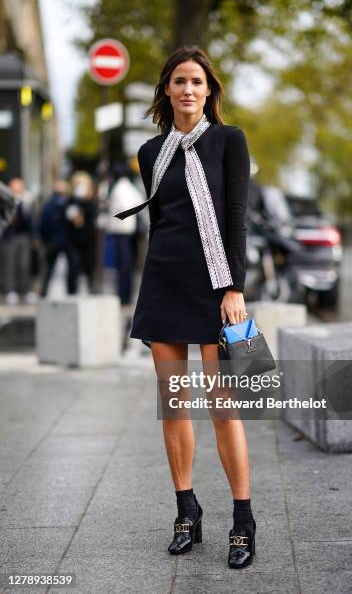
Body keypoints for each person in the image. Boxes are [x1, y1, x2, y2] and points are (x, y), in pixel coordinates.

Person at [115, 46, 254, 568]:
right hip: (164, 281)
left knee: (224, 408)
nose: (189, 89)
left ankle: (243, 520)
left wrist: (234, 287)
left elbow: (236, 217)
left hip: (216, 286)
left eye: (197, 81)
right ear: (167, 90)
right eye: (179, 81)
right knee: (174, 404)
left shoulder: (229, 142)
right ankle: (186, 510)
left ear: (209, 91)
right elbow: (161, 222)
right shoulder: (152, 152)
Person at [104, 164, 144, 305]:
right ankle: (125, 295)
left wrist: (120, 217)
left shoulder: (120, 188)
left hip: (122, 231)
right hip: (127, 231)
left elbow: (124, 207)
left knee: (123, 266)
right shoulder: (128, 187)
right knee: (126, 266)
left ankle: (124, 296)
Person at [39, 179, 78, 297]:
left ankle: (44, 293)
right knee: (71, 268)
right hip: (68, 241)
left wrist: (45, 240)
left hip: (53, 241)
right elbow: (77, 222)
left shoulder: (48, 205)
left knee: (49, 269)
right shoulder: (69, 204)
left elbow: (42, 225)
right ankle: (71, 293)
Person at [1, 177, 35, 304]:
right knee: (9, 264)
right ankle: (10, 290)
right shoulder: (5, 201)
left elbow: (29, 220)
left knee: (24, 264)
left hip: (23, 236)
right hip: (9, 237)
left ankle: (25, 291)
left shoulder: (26, 201)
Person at [66, 172, 98, 294]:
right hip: (74, 240)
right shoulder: (71, 201)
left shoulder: (91, 202)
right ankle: (71, 292)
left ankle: (91, 288)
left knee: (89, 266)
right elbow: (70, 217)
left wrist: (86, 201)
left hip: (89, 240)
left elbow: (93, 215)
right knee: (73, 267)